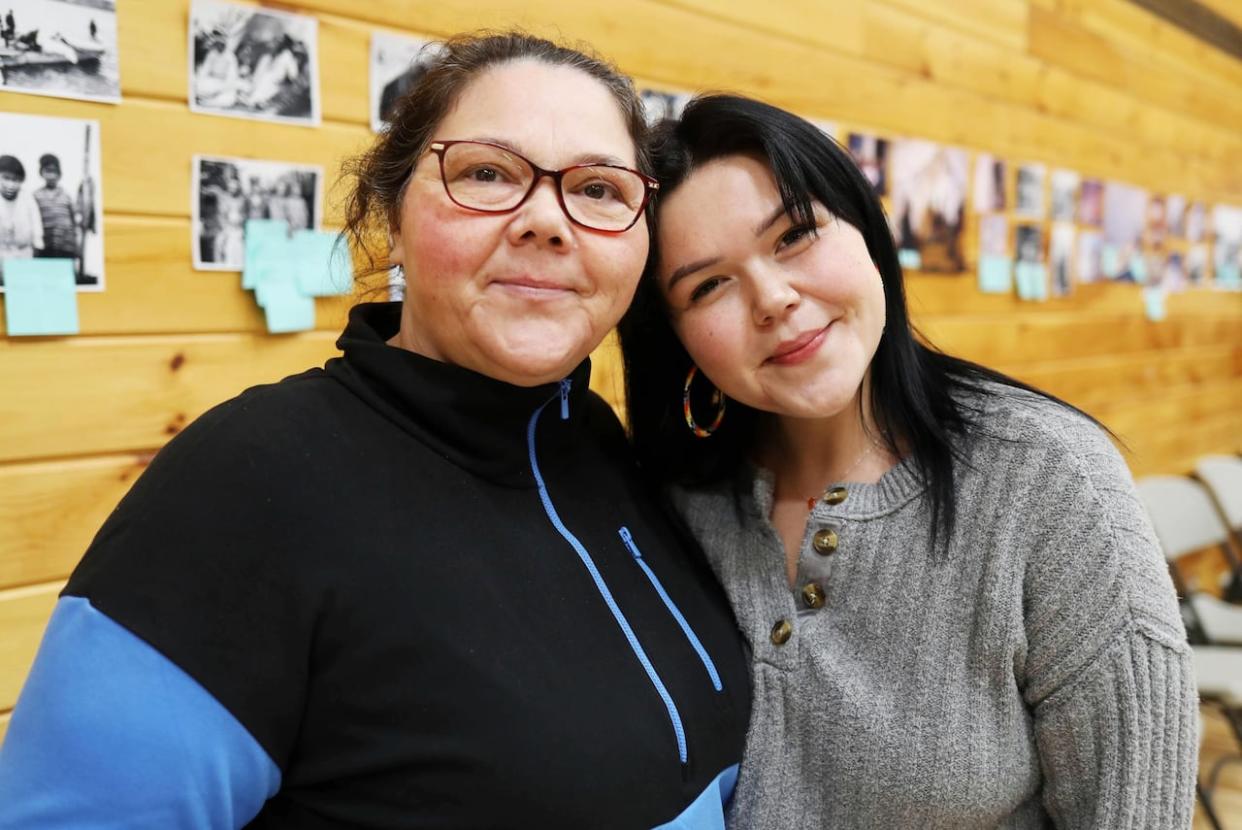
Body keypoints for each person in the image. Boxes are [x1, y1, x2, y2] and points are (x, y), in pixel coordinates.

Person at [0, 34, 750, 829]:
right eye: (487, 174)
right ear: (390, 221)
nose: (547, 222)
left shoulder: (597, 443)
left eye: (598, 188)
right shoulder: (246, 482)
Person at [618, 95, 1198, 828]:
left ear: (865, 230)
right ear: (677, 338)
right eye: (708, 285)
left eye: (794, 235)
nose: (773, 298)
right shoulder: (676, 501)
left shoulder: (1046, 476)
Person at [0, 154, 44, 284]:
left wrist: (37, 244)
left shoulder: (27, 198)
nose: (11, 184)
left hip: (24, 255)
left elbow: (37, 223)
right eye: (6, 178)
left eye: (16, 180)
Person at [32, 154, 81, 267]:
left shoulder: (66, 196)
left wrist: (76, 246)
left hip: (66, 246)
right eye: (48, 171)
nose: (51, 175)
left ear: (59, 174)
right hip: (46, 246)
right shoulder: (36, 196)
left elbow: (74, 221)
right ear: (42, 173)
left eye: (54, 171)